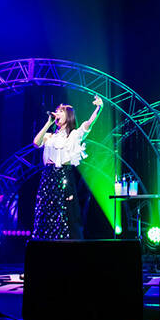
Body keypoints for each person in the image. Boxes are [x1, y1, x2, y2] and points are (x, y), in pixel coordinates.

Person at [30, 95, 103, 239]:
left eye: (61, 111)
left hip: (64, 175)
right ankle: (43, 242)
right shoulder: (49, 136)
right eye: (57, 111)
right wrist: (49, 123)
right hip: (48, 176)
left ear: (68, 116)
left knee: (65, 212)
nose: (57, 113)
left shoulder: (74, 135)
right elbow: (36, 143)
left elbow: (89, 123)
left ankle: (66, 243)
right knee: (46, 210)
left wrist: (99, 108)